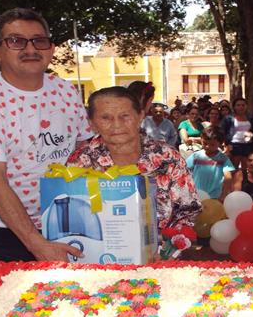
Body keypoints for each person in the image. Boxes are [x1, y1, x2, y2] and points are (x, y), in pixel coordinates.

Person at [0, 8, 93, 264]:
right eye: (16, 41)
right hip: (10, 229)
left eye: (39, 40)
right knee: (23, 301)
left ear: (51, 48)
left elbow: (84, 149)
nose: (30, 49)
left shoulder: (65, 90)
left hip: (68, 218)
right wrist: (37, 244)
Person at [67, 86, 201, 234]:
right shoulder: (80, 161)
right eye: (105, 118)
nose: (117, 125)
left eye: (125, 116)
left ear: (140, 116)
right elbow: (70, 214)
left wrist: (168, 245)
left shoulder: (167, 157)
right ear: (91, 123)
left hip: (160, 254)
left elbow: (188, 211)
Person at [186, 125, 234, 201]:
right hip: (196, 195)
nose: (207, 146)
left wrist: (224, 194)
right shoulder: (195, 156)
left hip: (215, 196)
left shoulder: (223, 159)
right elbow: (185, 172)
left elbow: (228, 177)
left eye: (212, 145)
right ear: (201, 139)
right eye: (205, 143)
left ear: (220, 143)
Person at [221, 97, 253, 170]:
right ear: (234, 107)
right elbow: (223, 132)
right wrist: (227, 145)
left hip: (248, 145)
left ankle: (245, 181)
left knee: (246, 169)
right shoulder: (228, 118)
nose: (241, 107)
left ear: (246, 106)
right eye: (238, 105)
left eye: (243, 105)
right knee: (234, 169)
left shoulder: (251, 118)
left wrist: (252, 135)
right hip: (234, 145)